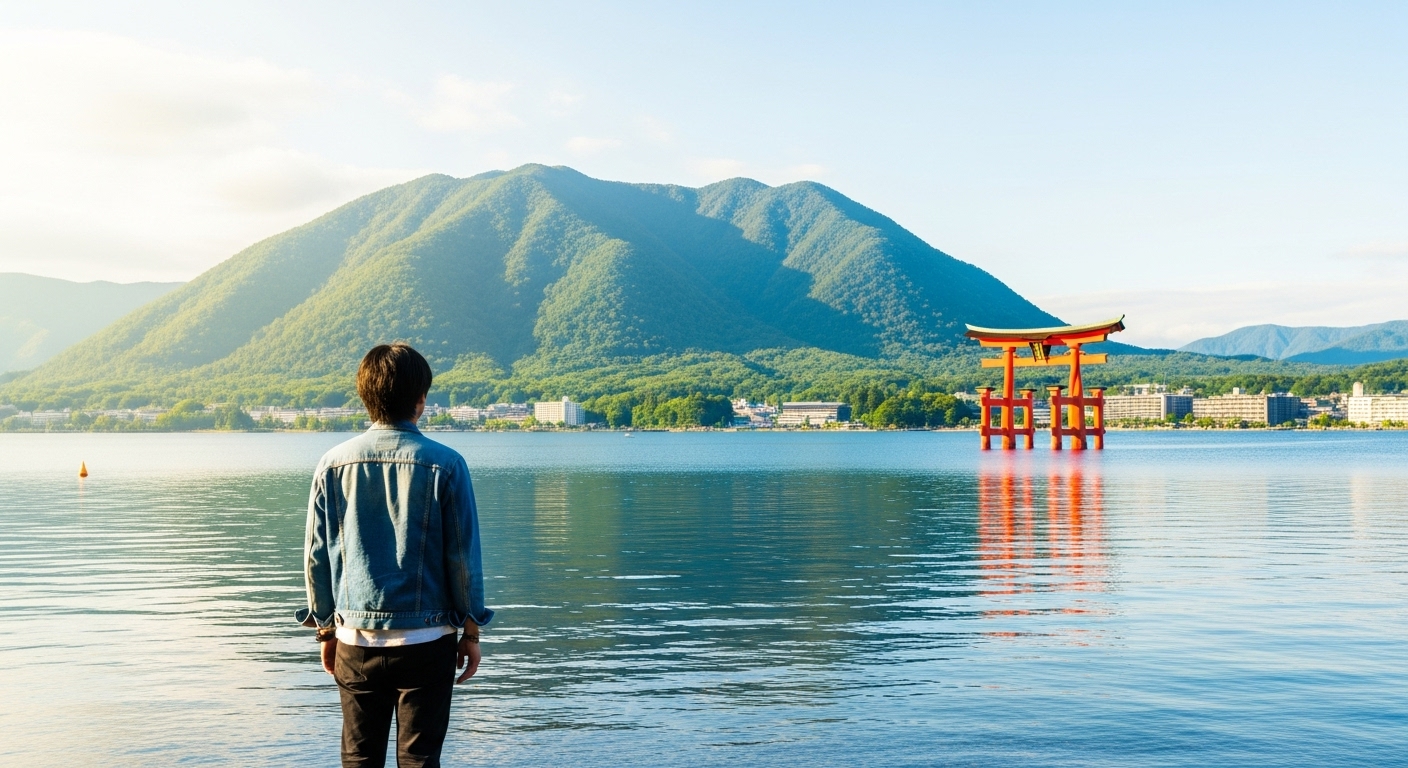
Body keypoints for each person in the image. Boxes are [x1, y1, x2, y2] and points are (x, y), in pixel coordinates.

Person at [297, 342, 493, 768]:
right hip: (428, 641)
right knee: (420, 760)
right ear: (420, 400)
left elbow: (317, 559)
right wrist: (471, 631)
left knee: (358, 759)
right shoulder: (446, 464)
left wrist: (327, 630)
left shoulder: (331, 465)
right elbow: (463, 560)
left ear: (366, 397)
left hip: (356, 639)